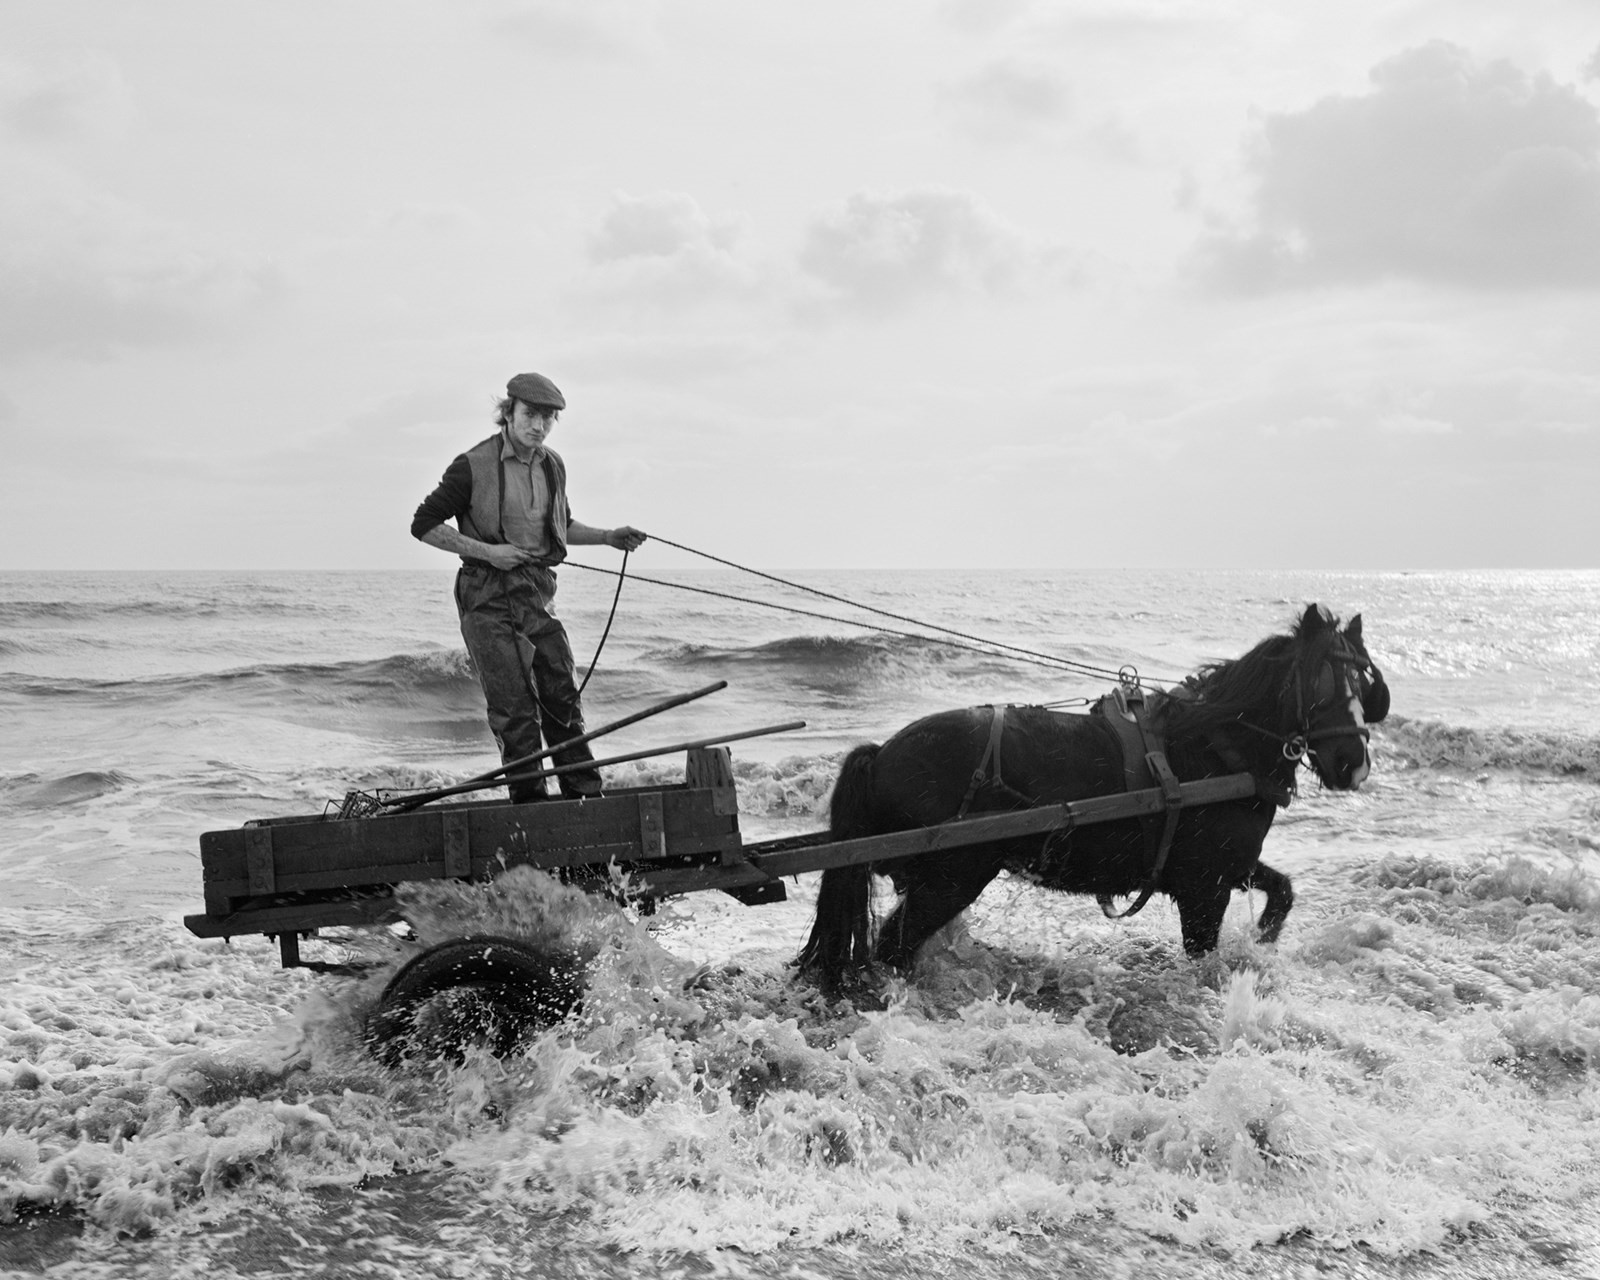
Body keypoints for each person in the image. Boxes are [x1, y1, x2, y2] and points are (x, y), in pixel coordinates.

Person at [411, 372, 646, 801]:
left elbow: (560, 526)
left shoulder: (553, 464)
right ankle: (532, 814)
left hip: (537, 594)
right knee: (515, 713)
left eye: (548, 418)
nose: (538, 426)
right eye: (531, 415)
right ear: (509, 413)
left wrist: (608, 536)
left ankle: (587, 804)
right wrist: (488, 552)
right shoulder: (471, 465)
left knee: (563, 700)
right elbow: (423, 525)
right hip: (485, 595)